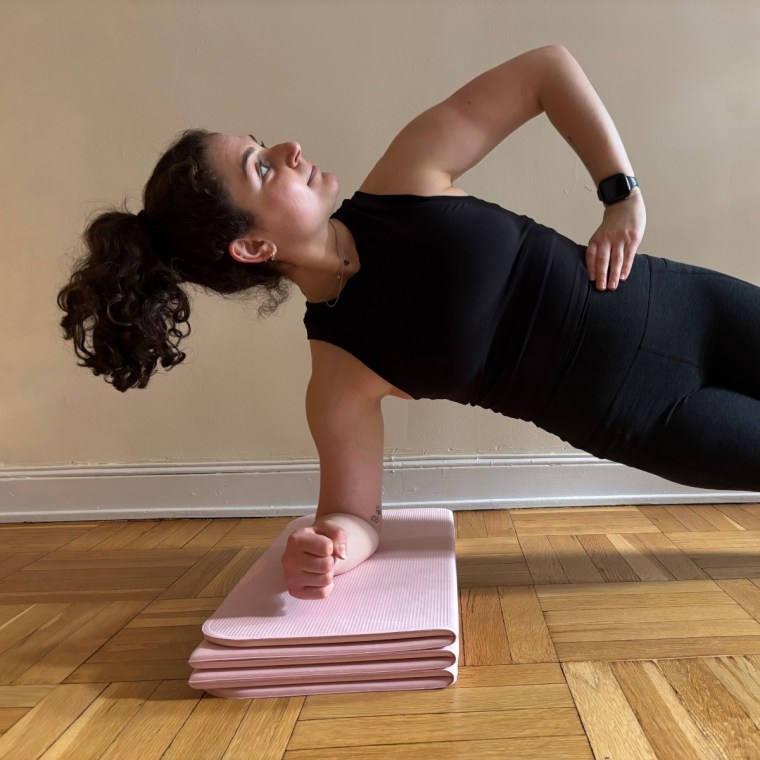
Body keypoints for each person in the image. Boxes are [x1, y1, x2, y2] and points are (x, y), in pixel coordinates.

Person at [57, 45, 760, 600]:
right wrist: (328, 546)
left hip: (692, 307)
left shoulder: (406, 177)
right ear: (251, 246)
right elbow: (357, 516)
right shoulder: (339, 371)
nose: (290, 151)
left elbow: (548, 68)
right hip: (655, 418)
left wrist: (620, 195)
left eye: (265, 144)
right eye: (261, 168)